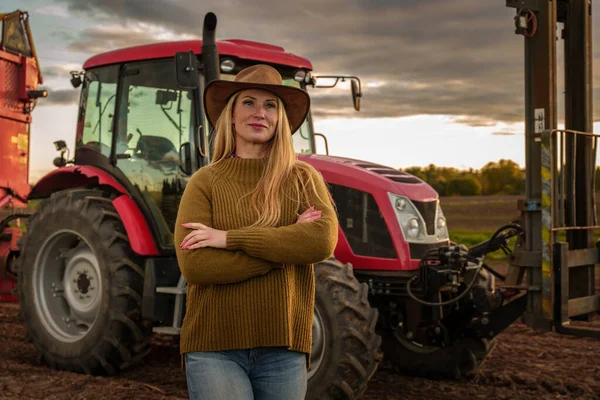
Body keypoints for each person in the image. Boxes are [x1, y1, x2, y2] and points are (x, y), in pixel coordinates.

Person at [174, 64, 338, 400]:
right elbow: (198, 266)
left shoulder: (302, 178)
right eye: (248, 102)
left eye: (270, 105)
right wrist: (286, 249)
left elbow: (321, 240)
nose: (259, 113)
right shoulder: (205, 182)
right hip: (215, 347)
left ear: (281, 119)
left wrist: (228, 239)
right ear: (230, 115)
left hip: (284, 348)